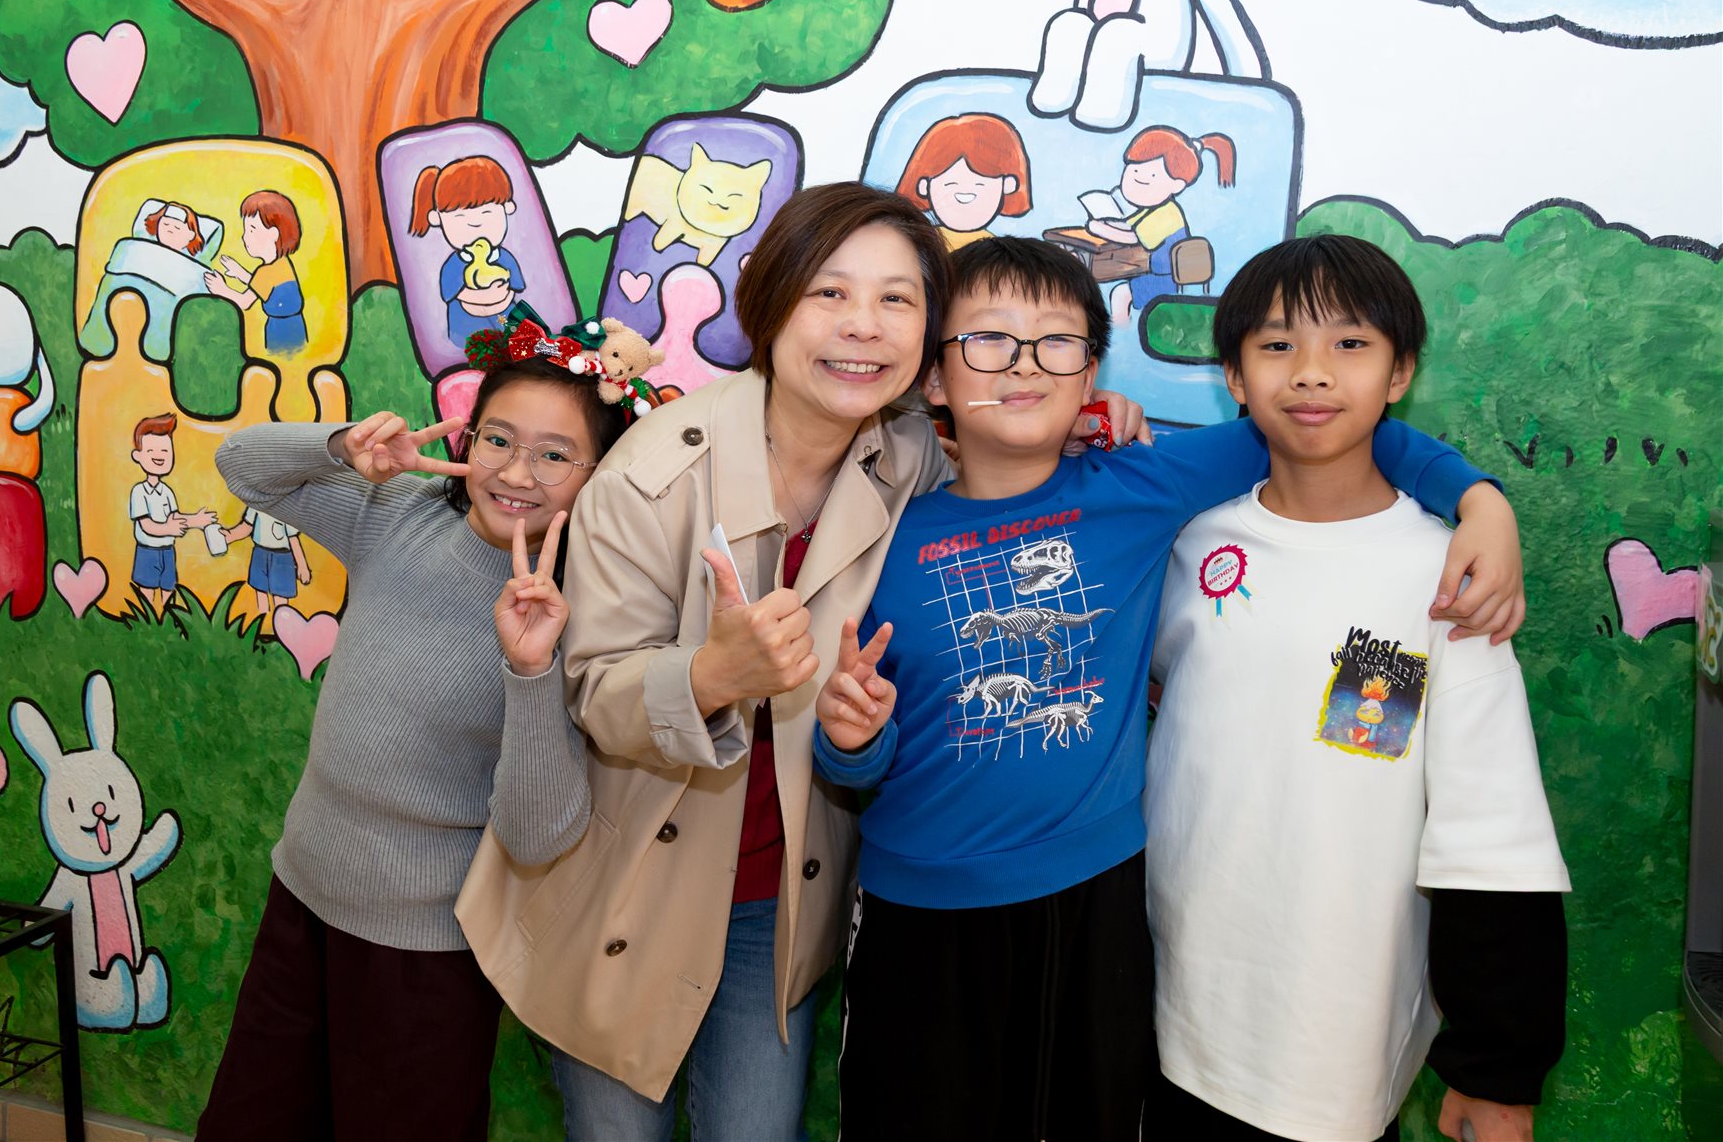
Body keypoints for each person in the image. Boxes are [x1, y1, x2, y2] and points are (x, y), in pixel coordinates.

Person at [455, 185, 1141, 1139]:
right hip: (622, 893)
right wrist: (712, 675)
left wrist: (1090, 419)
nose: (863, 325)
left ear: (928, 340)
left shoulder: (911, 456)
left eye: (897, 299)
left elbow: (1002, 463)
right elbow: (593, 694)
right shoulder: (650, 475)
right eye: (830, 292)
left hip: (778, 906)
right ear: (771, 306)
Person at [811, 235, 1528, 1140]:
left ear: (1090, 373)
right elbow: (856, 745)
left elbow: (1327, 417)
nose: (1024, 363)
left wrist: (1480, 497)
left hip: (1098, 903)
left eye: (1055, 343)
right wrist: (850, 738)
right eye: (988, 340)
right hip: (921, 912)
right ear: (934, 378)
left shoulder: (1146, 488)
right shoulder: (883, 536)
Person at [1143, 234, 1569, 1142]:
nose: (1311, 371)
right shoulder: (1189, 544)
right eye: (1277, 344)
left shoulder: (1450, 576)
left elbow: (1493, 834)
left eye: (1350, 343)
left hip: (1334, 1040)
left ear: (1400, 371)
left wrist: (1497, 1072)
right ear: (1234, 376)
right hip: (1176, 1010)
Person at [198, 319, 638, 1139]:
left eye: (554, 454)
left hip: (427, 953)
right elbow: (240, 464)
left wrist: (531, 669)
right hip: (302, 898)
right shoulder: (398, 513)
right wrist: (344, 446)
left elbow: (539, 835)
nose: (516, 472)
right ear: (466, 438)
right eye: (498, 438)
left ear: (600, 474)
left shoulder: (586, 609)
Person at [1085, 124, 1234, 318]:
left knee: (1120, 295)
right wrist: (1108, 222)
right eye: (1134, 171)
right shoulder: (1150, 210)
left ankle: (1121, 331)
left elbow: (1132, 237)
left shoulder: (1167, 214)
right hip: (1149, 271)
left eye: (1150, 177)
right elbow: (1129, 227)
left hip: (1163, 278)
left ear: (1177, 185)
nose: (1137, 179)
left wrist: (1098, 228)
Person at [411, 156, 527, 345]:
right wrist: (486, 299)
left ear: (507, 208)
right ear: (437, 219)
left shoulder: (504, 258)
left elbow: (514, 288)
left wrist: (502, 300)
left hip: (507, 325)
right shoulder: (454, 265)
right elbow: (454, 294)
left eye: (487, 212)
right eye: (460, 216)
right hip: (467, 332)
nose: (475, 222)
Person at [895, 113, 1034, 252]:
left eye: (980, 184)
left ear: (1008, 185)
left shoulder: (994, 250)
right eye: (950, 184)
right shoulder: (923, 244)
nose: (965, 192)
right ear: (924, 186)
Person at [128, 414, 215, 614]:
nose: (160, 455)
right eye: (151, 451)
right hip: (147, 551)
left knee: (169, 589)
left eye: (166, 450)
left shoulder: (166, 492)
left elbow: (174, 518)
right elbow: (146, 525)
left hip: (168, 551)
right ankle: (148, 625)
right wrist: (168, 528)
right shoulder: (139, 492)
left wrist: (195, 521)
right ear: (138, 456)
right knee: (146, 593)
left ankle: (168, 621)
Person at [205, 191, 309, 355]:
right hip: (295, 327)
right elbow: (266, 288)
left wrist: (221, 289)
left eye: (252, 230)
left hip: (281, 334)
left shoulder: (266, 272)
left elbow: (244, 301)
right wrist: (240, 273)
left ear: (274, 234)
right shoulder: (282, 263)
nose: (245, 237)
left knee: (282, 360)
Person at [218, 505, 312, 616]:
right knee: (260, 591)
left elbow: (293, 538)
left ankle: (282, 622)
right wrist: (230, 536)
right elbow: (247, 526)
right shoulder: (256, 504)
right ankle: (262, 618)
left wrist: (302, 566)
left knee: (280, 596)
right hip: (259, 553)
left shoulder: (287, 508)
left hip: (282, 557)